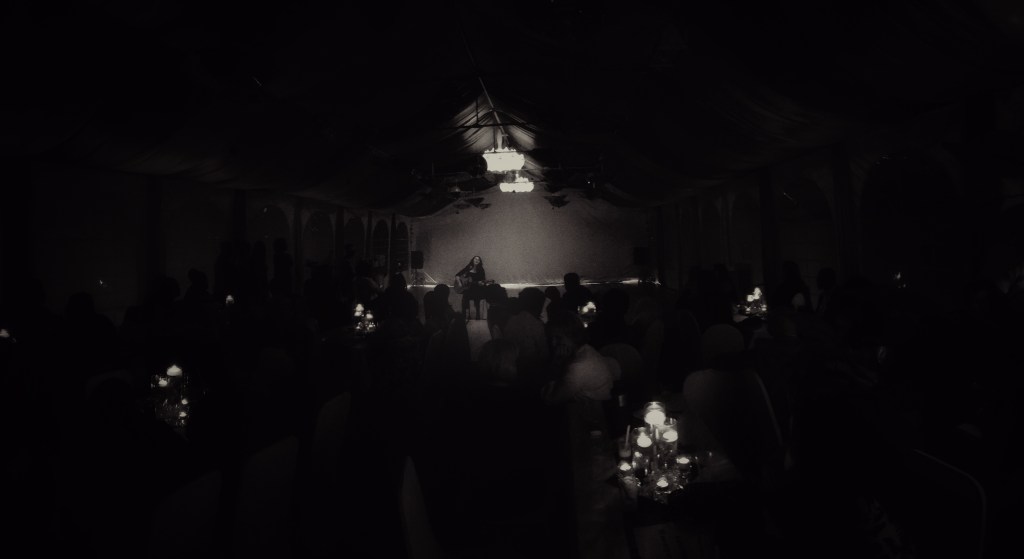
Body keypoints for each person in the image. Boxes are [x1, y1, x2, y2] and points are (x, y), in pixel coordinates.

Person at [455, 256, 488, 320]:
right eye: (475, 259)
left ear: (480, 262)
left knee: (477, 296)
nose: (477, 260)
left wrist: (482, 283)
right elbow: (457, 275)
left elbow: (483, 280)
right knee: (464, 299)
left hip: (476, 288)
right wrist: (459, 283)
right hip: (468, 289)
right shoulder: (468, 267)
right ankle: (464, 317)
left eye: (478, 259)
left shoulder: (481, 269)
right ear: (473, 260)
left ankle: (477, 317)